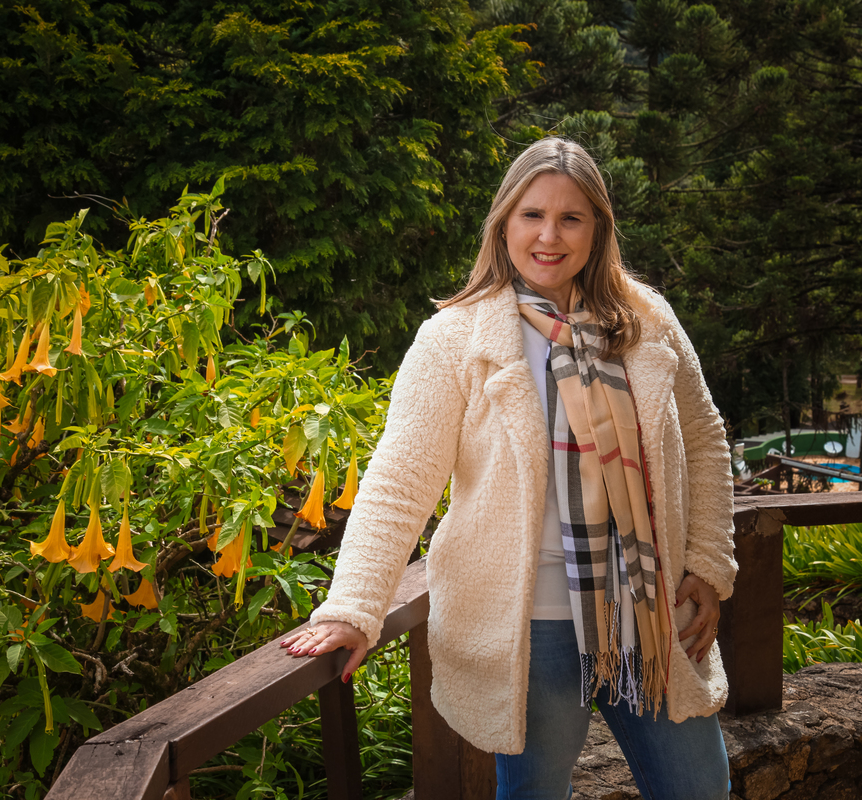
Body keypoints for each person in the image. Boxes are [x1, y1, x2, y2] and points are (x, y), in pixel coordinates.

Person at [280, 136, 736, 800]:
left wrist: (709, 565)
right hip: (531, 628)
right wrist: (353, 606)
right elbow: (400, 480)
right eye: (532, 215)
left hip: (646, 610)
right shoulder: (454, 339)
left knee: (699, 788)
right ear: (503, 224)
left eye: (570, 217)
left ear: (598, 229)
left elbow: (705, 440)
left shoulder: (647, 322)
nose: (549, 236)